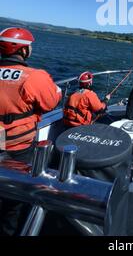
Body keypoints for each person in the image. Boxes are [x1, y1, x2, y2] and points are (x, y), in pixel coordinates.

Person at [0, 26, 62, 235]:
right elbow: (51, 102)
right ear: (24, 50)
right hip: (17, 147)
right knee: (13, 201)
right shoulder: (34, 76)